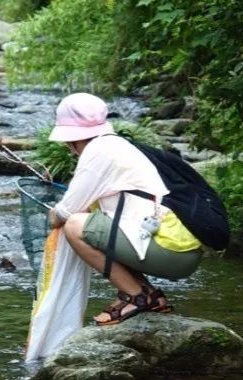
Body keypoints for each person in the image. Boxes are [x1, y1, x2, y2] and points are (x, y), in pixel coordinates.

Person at [47, 93, 203, 325]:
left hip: (170, 251)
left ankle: (137, 296)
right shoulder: (117, 144)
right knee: (91, 223)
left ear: (71, 138)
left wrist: (52, 214)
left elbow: (65, 213)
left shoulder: (97, 152)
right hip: (180, 249)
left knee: (75, 226)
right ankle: (151, 295)